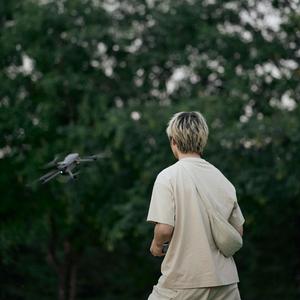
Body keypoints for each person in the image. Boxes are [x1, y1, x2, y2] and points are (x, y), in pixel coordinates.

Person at [146, 111, 245, 300]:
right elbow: (238, 232)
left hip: (184, 282)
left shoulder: (168, 177)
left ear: (173, 141)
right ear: (203, 140)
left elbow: (165, 229)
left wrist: (156, 245)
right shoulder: (222, 180)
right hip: (226, 282)